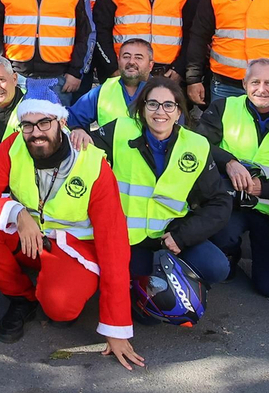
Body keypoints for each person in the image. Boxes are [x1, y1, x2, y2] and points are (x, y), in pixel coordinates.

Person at [0, 97, 144, 368]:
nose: (36, 133)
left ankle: (60, 285)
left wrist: (115, 327)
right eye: (28, 125)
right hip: (28, 235)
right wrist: (16, 213)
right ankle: (21, 298)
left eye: (44, 123)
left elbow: (113, 245)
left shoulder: (93, 164)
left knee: (60, 309)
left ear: (61, 123)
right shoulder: (14, 146)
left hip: (73, 247)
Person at [93, 75, 231, 288]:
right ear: (142, 108)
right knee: (145, 309)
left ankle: (179, 281)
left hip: (172, 235)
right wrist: (78, 135)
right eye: (153, 104)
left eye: (168, 105)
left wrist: (183, 237)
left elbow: (219, 202)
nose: (160, 111)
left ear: (178, 112)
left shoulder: (195, 144)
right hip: (127, 238)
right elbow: (84, 157)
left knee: (216, 267)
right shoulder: (120, 130)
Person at [197, 58, 269, 297]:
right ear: (244, 83)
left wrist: (265, 188)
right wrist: (229, 161)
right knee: (221, 242)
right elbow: (198, 144)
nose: (262, 89)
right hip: (230, 202)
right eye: (255, 82)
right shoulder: (223, 106)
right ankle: (229, 254)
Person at [68, 37, 153, 147]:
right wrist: (78, 130)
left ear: (150, 65)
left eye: (138, 57)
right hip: (110, 162)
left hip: (151, 162)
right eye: (126, 57)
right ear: (118, 61)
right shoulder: (104, 90)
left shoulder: (164, 92)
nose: (131, 62)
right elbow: (72, 118)